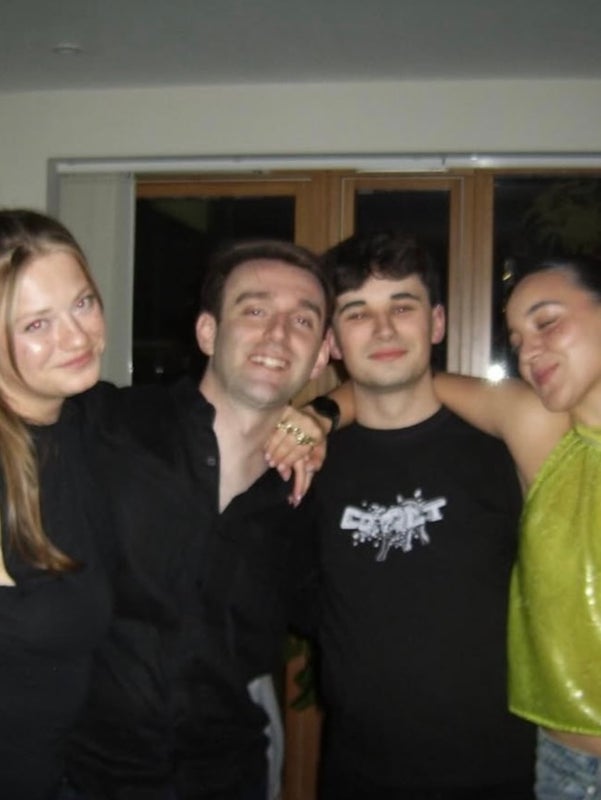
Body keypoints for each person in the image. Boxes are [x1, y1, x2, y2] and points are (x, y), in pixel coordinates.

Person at [64, 239, 332, 800]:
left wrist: (331, 414)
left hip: (227, 777)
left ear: (321, 354)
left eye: (303, 320)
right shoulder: (107, 426)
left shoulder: (309, 500)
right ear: (208, 332)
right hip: (80, 776)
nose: (278, 334)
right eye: (254, 310)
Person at [275, 230, 536, 799]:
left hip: (505, 774)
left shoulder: (504, 448)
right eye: (357, 313)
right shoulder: (307, 465)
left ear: (436, 323)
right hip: (357, 775)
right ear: (332, 340)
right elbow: (298, 601)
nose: (384, 329)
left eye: (402, 306)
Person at [0, 209, 113, 798]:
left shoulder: (87, 419)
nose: (76, 337)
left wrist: (321, 415)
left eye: (82, 303)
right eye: (36, 324)